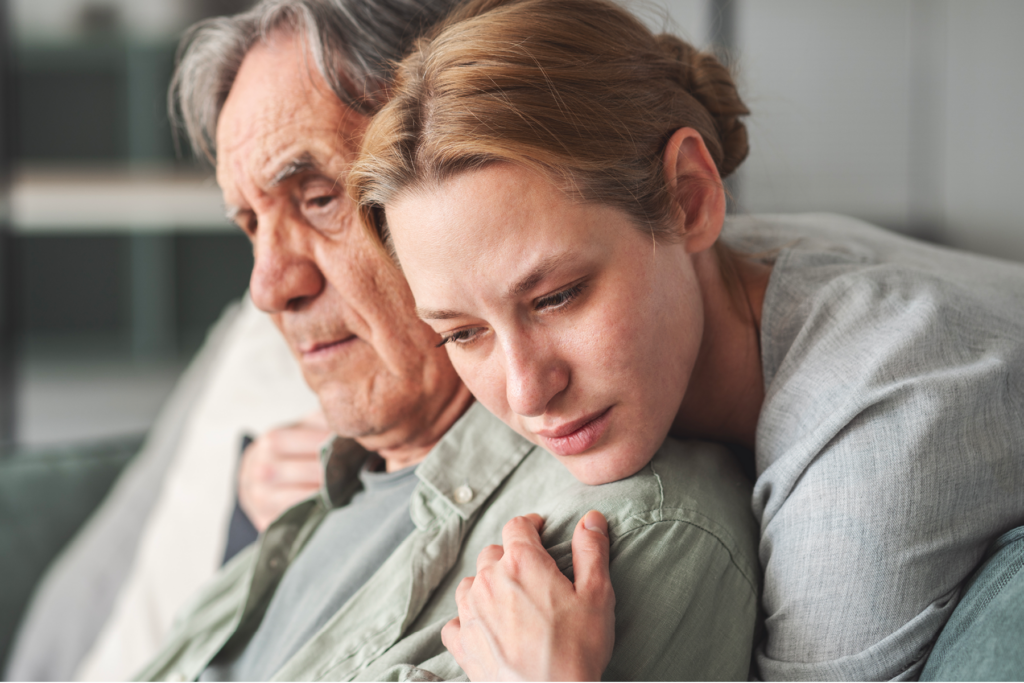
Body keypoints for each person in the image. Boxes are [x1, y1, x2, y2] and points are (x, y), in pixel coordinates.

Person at [350, 0, 1024, 679]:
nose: (527, 390)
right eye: (463, 333)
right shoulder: (716, 268)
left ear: (691, 198)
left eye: (557, 296)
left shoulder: (872, 450)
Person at [134, 0, 762, 680]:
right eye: (251, 222)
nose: (267, 286)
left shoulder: (607, 543)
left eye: (319, 197)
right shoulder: (313, 481)